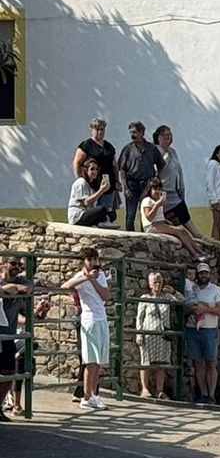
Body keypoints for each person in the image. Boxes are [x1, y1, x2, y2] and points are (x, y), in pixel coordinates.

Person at [61, 246, 110, 411]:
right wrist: (85, 278)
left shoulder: (100, 275)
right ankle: (86, 396)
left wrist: (93, 279)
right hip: (89, 320)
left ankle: (94, 395)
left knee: (98, 361)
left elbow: (105, 295)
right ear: (84, 262)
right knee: (90, 361)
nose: (94, 263)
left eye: (95, 259)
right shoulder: (80, 276)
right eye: (90, 260)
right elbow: (65, 286)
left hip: (101, 319)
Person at [0, 255, 42, 421]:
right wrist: (10, 288)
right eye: (13, 263)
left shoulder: (23, 280)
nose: (17, 266)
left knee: (9, 373)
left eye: (19, 264)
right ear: (3, 263)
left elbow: (28, 288)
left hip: (8, 334)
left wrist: (12, 287)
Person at [184, 258, 220, 404]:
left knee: (211, 363)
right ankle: (203, 393)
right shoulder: (190, 288)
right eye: (201, 273)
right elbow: (184, 307)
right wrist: (194, 308)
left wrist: (206, 308)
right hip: (192, 328)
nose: (203, 276)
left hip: (209, 330)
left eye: (205, 273)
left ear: (209, 274)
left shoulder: (216, 290)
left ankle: (211, 394)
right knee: (198, 363)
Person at [135, 269, 177, 399]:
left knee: (161, 363)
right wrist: (139, 334)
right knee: (146, 362)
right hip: (148, 334)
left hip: (163, 335)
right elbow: (139, 317)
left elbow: (181, 300)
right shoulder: (145, 298)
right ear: (149, 284)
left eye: (159, 282)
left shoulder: (167, 297)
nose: (157, 285)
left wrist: (173, 291)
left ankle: (160, 390)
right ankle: (145, 389)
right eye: (155, 282)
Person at [139, 178, 203, 258]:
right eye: (155, 189)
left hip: (160, 224)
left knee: (183, 230)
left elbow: (159, 216)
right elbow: (149, 217)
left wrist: (167, 221)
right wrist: (158, 204)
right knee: (179, 231)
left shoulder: (157, 200)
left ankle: (199, 251)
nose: (157, 192)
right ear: (150, 190)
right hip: (151, 226)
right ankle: (195, 254)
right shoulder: (147, 200)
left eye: (159, 189)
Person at [73, 117, 120, 225]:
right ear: (92, 130)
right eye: (97, 129)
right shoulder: (86, 145)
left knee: (107, 213)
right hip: (92, 184)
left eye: (102, 129)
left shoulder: (109, 146)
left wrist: (117, 180)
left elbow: (114, 165)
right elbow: (76, 162)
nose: (100, 132)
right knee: (94, 212)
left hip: (108, 184)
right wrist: (79, 178)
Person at [117, 122, 161, 231]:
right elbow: (122, 169)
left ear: (142, 132)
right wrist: (125, 188)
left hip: (147, 185)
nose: (132, 135)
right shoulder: (127, 149)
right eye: (131, 132)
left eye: (135, 132)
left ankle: (145, 238)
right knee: (131, 214)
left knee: (145, 213)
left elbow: (161, 165)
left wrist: (156, 181)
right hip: (132, 185)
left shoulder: (152, 148)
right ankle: (129, 238)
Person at [152, 125, 194, 230]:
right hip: (162, 190)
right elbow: (157, 168)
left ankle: (195, 237)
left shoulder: (172, 151)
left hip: (174, 189)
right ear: (158, 137)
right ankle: (194, 235)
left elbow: (178, 170)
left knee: (182, 212)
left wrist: (181, 187)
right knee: (175, 216)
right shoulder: (155, 150)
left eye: (169, 134)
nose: (167, 137)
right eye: (164, 135)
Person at [67, 157, 116, 227]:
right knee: (101, 209)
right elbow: (86, 202)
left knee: (112, 213)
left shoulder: (91, 186)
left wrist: (103, 190)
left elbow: (94, 204)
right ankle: (102, 221)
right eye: (92, 169)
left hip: (86, 213)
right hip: (78, 216)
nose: (95, 172)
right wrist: (101, 190)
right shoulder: (81, 182)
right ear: (86, 170)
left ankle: (102, 221)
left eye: (97, 169)